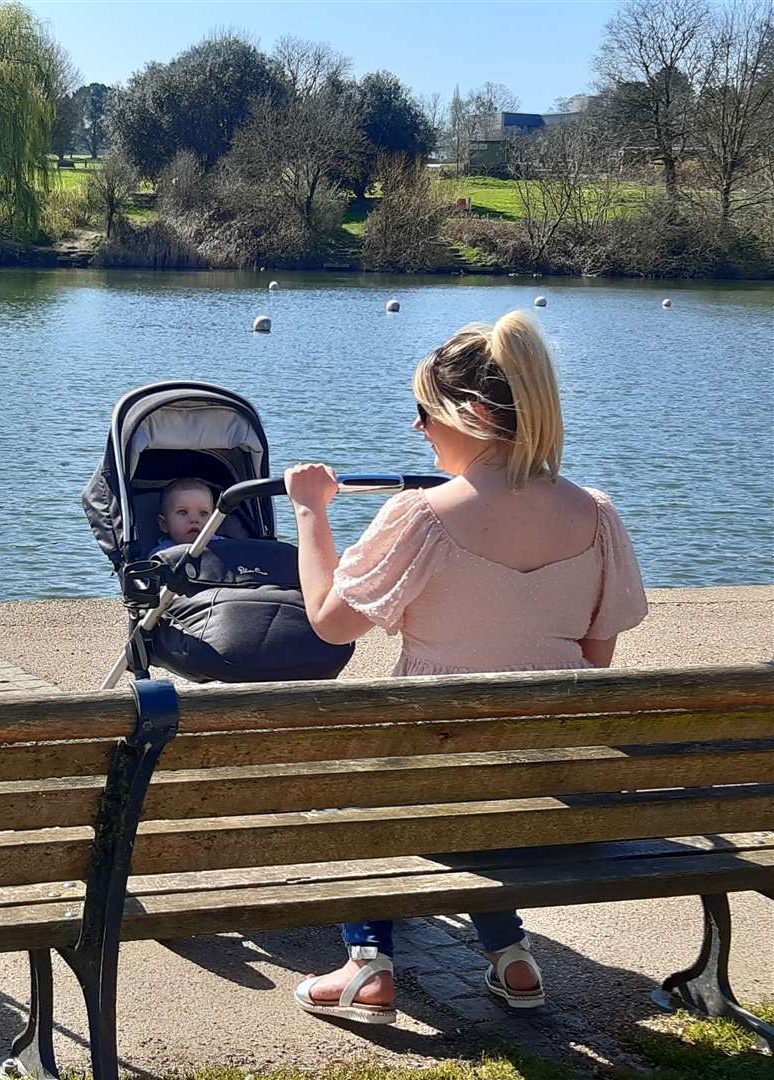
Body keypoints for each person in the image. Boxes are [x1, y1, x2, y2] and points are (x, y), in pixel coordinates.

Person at [283, 311, 648, 1024]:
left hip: (441, 794)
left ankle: (366, 966)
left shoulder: (423, 516)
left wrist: (311, 513)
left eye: (425, 414)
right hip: (556, 801)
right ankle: (510, 954)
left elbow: (329, 622)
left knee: (365, 782)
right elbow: (596, 658)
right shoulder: (598, 516)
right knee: (485, 768)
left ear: (474, 413)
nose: (419, 430)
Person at [150, 477, 215, 554]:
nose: (194, 519)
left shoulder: (224, 545)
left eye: (203, 513)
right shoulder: (162, 555)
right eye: (183, 512)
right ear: (164, 524)